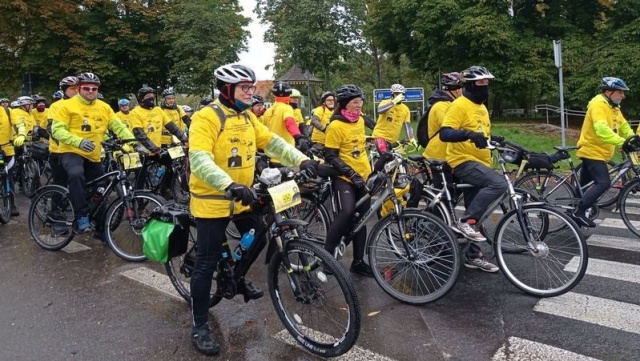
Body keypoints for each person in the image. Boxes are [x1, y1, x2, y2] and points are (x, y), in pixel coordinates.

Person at [187, 63, 318, 355]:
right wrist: (228, 184)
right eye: (245, 88)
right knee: (206, 263)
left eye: (252, 87)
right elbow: (199, 160)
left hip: (242, 196)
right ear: (227, 89)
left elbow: (272, 143)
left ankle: (235, 273)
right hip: (214, 199)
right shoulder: (206, 117)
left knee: (259, 229)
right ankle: (198, 325)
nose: (251, 92)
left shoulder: (247, 117)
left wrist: (302, 160)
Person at [439, 65, 505, 273]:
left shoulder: (482, 107)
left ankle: (473, 255)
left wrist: (492, 139)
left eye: (487, 83)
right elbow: (445, 133)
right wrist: (468, 134)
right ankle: (464, 222)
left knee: (477, 209)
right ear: (468, 85)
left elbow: (480, 134)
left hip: (481, 162)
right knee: (499, 184)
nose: (485, 87)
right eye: (480, 83)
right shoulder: (459, 105)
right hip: (462, 161)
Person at [51, 72, 135, 233]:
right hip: (71, 151)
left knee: (102, 188)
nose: (91, 91)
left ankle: (101, 228)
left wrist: (134, 143)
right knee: (76, 175)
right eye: (86, 88)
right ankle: (81, 215)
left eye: (94, 89)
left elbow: (118, 127)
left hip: (94, 154)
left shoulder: (104, 107)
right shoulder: (66, 106)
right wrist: (79, 141)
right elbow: (56, 130)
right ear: (79, 89)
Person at [323, 84, 374, 277]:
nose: (359, 105)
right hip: (345, 177)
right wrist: (351, 174)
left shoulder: (360, 120)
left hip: (363, 176)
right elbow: (331, 156)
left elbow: (374, 131)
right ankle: (326, 258)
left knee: (363, 218)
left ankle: (358, 262)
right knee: (346, 212)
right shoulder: (335, 125)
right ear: (345, 104)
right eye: (355, 102)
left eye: (360, 101)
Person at [574, 77, 634, 228]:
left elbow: (624, 126)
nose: (623, 95)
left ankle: (573, 210)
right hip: (592, 151)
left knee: (584, 185)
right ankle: (579, 212)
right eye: (620, 92)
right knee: (603, 183)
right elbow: (602, 129)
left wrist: (634, 139)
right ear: (609, 91)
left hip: (601, 152)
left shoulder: (613, 107)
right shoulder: (598, 105)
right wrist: (622, 142)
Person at [129, 85, 188, 192]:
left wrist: (184, 138)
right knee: (140, 178)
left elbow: (172, 127)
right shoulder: (134, 112)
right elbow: (140, 135)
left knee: (171, 164)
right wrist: (154, 149)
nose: (151, 98)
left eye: (152, 96)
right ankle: (138, 203)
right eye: (148, 96)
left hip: (157, 150)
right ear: (141, 98)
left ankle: (164, 189)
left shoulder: (158, 110)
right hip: (142, 151)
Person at [261, 81, 311, 161]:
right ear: (289, 95)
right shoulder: (287, 108)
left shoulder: (267, 111)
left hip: (271, 155)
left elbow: (263, 130)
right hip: (286, 156)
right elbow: (289, 122)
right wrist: (298, 137)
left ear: (274, 95)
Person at [371, 83, 416, 172]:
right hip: (380, 136)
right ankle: (374, 177)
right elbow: (380, 110)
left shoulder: (405, 109)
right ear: (392, 94)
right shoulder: (386, 102)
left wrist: (412, 138)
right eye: (396, 93)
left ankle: (389, 179)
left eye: (401, 94)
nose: (399, 95)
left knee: (394, 160)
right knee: (385, 155)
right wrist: (393, 102)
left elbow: (407, 125)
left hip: (393, 139)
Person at [422, 72, 464, 160]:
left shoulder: (450, 105)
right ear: (457, 91)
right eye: (463, 89)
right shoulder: (442, 106)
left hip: (448, 155)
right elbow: (452, 128)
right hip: (438, 156)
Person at [0, 97, 27, 217]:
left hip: (8, 150)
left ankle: (11, 204)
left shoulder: (7, 111)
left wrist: (21, 134)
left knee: (8, 178)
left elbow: (19, 124)